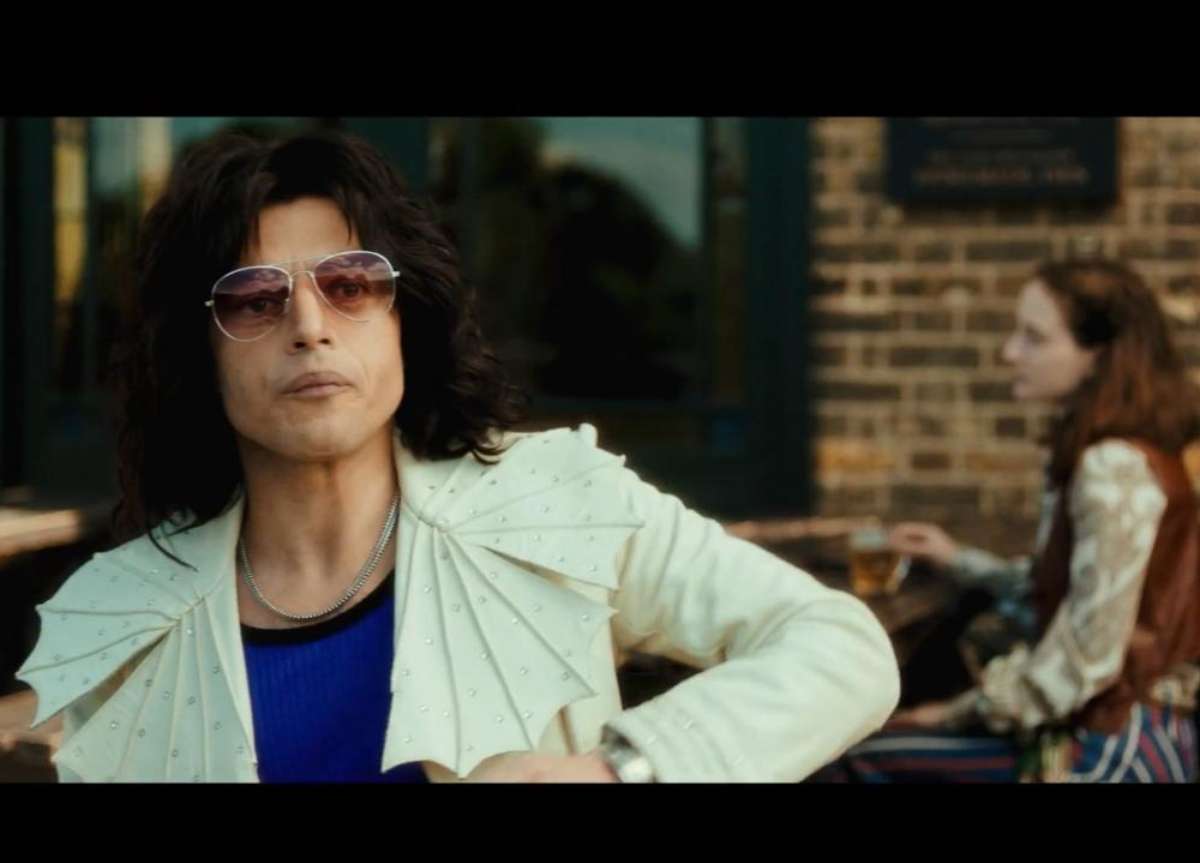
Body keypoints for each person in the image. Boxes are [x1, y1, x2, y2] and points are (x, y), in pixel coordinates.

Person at [8, 130, 899, 783]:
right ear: (199, 354)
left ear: (407, 317)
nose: (310, 326)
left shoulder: (556, 505)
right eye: (254, 298)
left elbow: (840, 645)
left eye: (350, 284)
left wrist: (622, 770)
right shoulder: (127, 618)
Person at [817, 259, 1200, 783]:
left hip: (1114, 746)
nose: (1010, 352)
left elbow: (1086, 662)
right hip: (1118, 728)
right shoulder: (1107, 452)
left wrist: (955, 712)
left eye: (1034, 338)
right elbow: (1074, 600)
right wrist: (957, 559)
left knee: (853, 760)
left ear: (1098, 355)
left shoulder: (1113, 467)